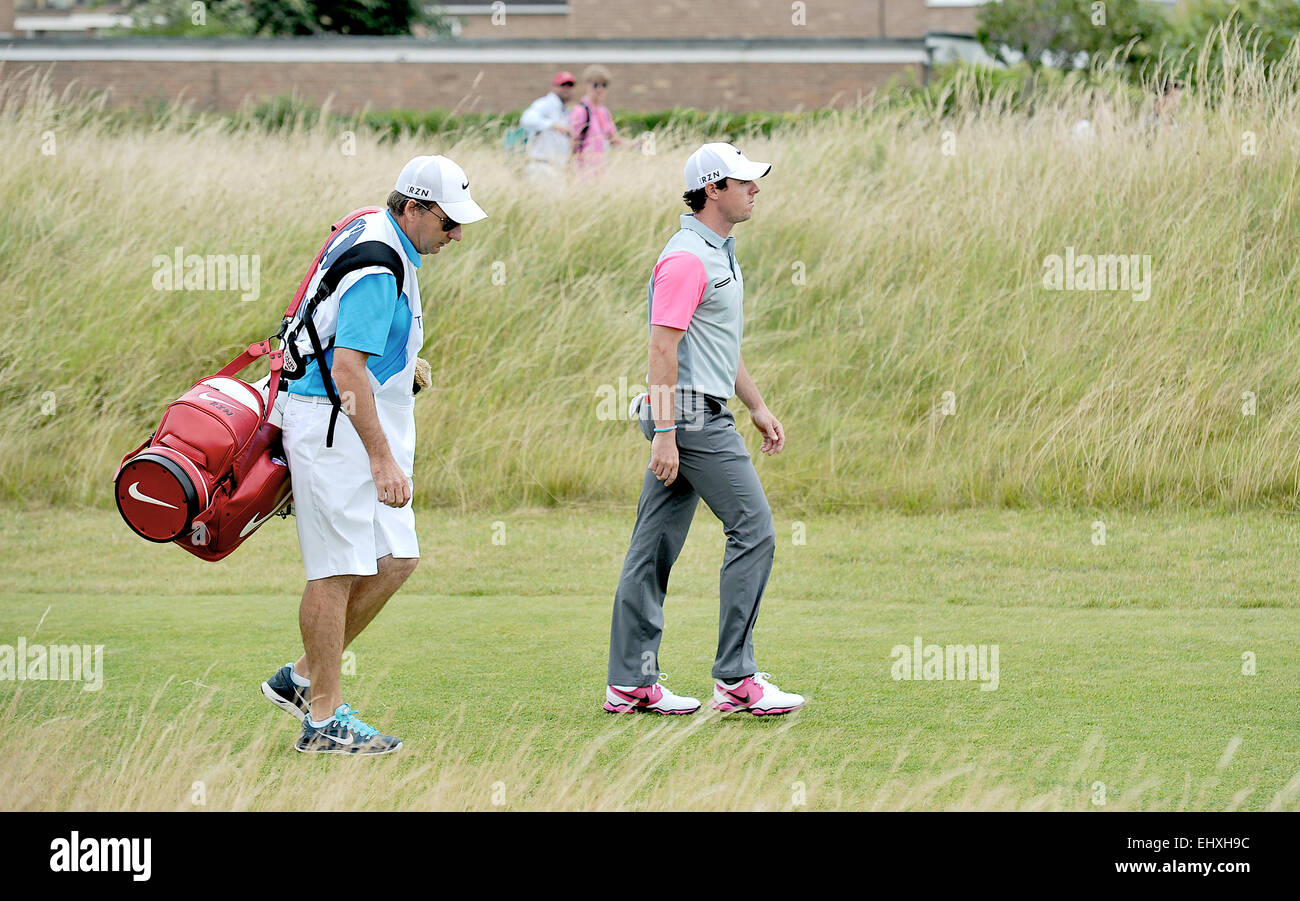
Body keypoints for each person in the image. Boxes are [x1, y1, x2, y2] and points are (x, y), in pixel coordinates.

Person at [260, 155, 487, 754]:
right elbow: (345, 368)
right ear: (412, 207)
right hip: (335, 426)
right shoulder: (380, 264)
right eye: (448, 223)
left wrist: (403, 368)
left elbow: (348, 343)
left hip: (355, 417)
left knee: (396, 559)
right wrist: (383, 459)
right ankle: (323, 721)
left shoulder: (379, 227)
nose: (457, 235)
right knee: (335, 571)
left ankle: (302, 680)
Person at [604, 143, 805, 717]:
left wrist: (757, 406)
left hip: (698, 409)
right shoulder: (689, 258)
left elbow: (717, 344)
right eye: (744, 182)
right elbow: (662, 347)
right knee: (755, 528)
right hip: (688, 415)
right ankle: (737, 681)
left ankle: (631, 682)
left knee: (653, 547)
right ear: (714, 189)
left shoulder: (718, 252)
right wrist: (666, 432)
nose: (755, 190)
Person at [569, 64, 627, 174]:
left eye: (604, 85)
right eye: (595, 85)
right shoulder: (580, 111)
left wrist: (638, 144)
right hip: (583, 172)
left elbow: (614, 140)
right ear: (587, 85)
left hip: (602, 170)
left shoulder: (604, 112)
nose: (599, 89)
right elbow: (572, 143)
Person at [520, 70, 575, 185]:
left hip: (557, 169)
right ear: (554, 87)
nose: (566, 89)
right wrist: (553, 125)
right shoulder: (545, 103)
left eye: (570, 85)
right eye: (563, 85)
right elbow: (526, 119)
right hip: (541, 166)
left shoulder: (565, 110)